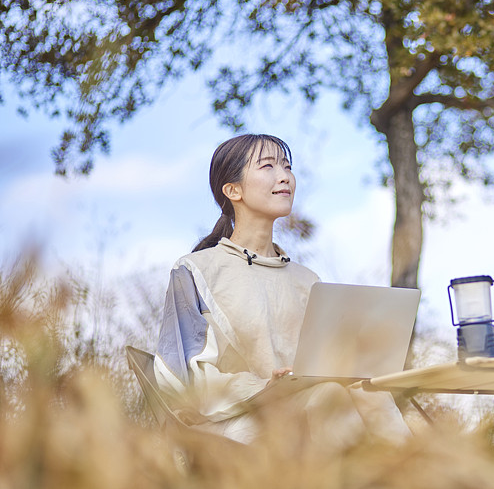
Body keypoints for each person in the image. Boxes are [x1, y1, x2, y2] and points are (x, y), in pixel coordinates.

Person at [153, 133, 410, 447]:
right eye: (268, 166)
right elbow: (178, 374)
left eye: (287, 167)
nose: (285, 176)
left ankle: (415, 464)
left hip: (313, 414)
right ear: (233, 190)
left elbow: (331, 368)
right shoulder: (195, 270)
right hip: (235, 430)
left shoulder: (307, 279)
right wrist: (264, 388)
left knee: (350, 396)